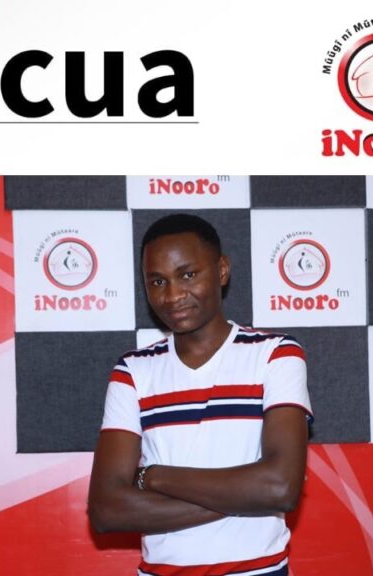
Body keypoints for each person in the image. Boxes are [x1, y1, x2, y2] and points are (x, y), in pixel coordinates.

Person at [87, 213, 312, 576]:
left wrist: (152, 477)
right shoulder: (133, 371)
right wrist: (247, 495)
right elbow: (106, 510)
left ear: (221, 270)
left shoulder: (275, 354)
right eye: (157, 281)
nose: (173, 295)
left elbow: (279, 489)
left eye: (188, 275)